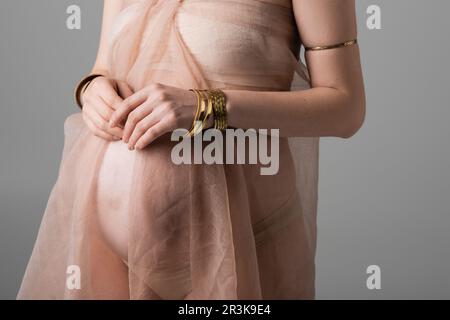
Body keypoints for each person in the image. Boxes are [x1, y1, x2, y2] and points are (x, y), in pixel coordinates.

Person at [18, 0, 365, 300]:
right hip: (104, 243)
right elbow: (104, 66)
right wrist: (91, 90)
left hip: (239, 240)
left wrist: (206, 107)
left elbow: (346, 108)